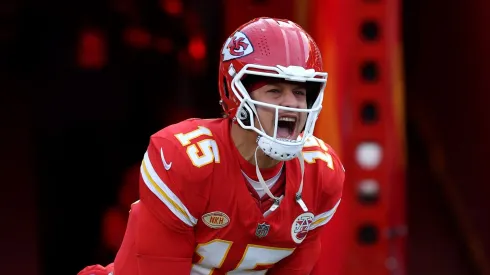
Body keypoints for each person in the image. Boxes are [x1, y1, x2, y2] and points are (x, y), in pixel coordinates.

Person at [79, 17, 345, 275]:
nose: (291, 104)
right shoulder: (185, 160)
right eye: (274, 90)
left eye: (300, 92)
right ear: (234, 93)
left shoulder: (321, 174)